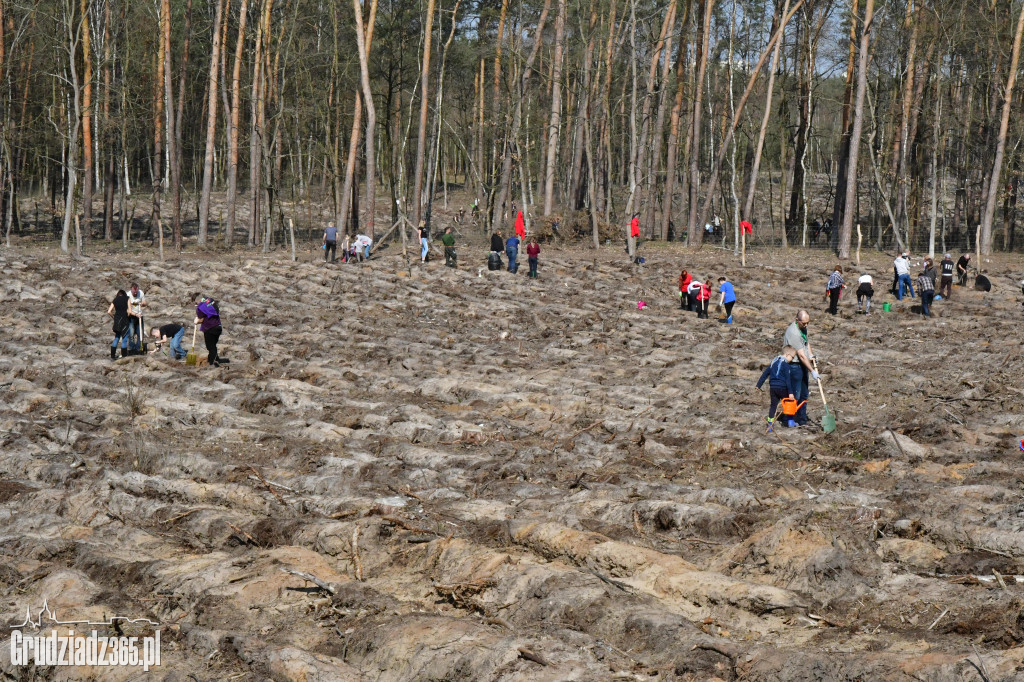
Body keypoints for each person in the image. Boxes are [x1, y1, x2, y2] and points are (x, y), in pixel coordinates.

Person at [783, 310, 817, 427]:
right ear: (797, 320)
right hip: (794, 366)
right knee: (795, 395)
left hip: (802, 365)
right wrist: (812, 371)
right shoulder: (794, 333)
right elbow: (802, 355)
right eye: (804, 323)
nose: (806, 325)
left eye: (808, 323)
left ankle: (802, 419)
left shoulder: (803, 328)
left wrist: (811, 355)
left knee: (804, 394)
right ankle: (789, 418)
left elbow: (806, 343)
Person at [757, 346, 798, 427]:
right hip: (782, 387)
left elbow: (765, 374)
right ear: (787, 354)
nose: (792, 359)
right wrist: (790, 392)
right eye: (792, 357)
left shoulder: (774, 362)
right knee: (789, 403)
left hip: (773, 388)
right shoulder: (786, 365)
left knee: (773, 405)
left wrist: (758, 385)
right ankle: (790, 422)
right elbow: (787, 379)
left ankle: (770, 424)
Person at [194, 296, 223, 367]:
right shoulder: (210, 301)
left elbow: (201, 319)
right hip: (218, 327)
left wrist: (196, 321)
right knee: (213, 345)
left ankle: (212, 363)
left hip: (210, 329)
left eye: (196, 304)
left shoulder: (200, 308)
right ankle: (213, 359)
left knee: (210, 347)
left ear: (197, 302)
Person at [107, 289, 131, 360]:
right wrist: (128, 316)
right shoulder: (127, 298)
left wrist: (114, 317)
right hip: (125, 320)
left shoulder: (115, 300)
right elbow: (129, 311)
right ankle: (124, 356)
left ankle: (112, 356)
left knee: (117, 337)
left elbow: (109, 311)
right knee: (125, 338)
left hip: (117, 321)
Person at [127, 282, 147, 354]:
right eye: (134, 291)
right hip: (131, 316)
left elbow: (145, 303)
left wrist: (141, 304)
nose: (135, 293)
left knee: (140, 332)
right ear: (131, 289)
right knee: (131, 333)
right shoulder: (128, 295)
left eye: (136, 291)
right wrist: (135, 314)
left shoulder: (140, 293)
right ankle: (132, 349)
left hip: (139, 316)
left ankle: (139, 348)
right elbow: (127, 310)